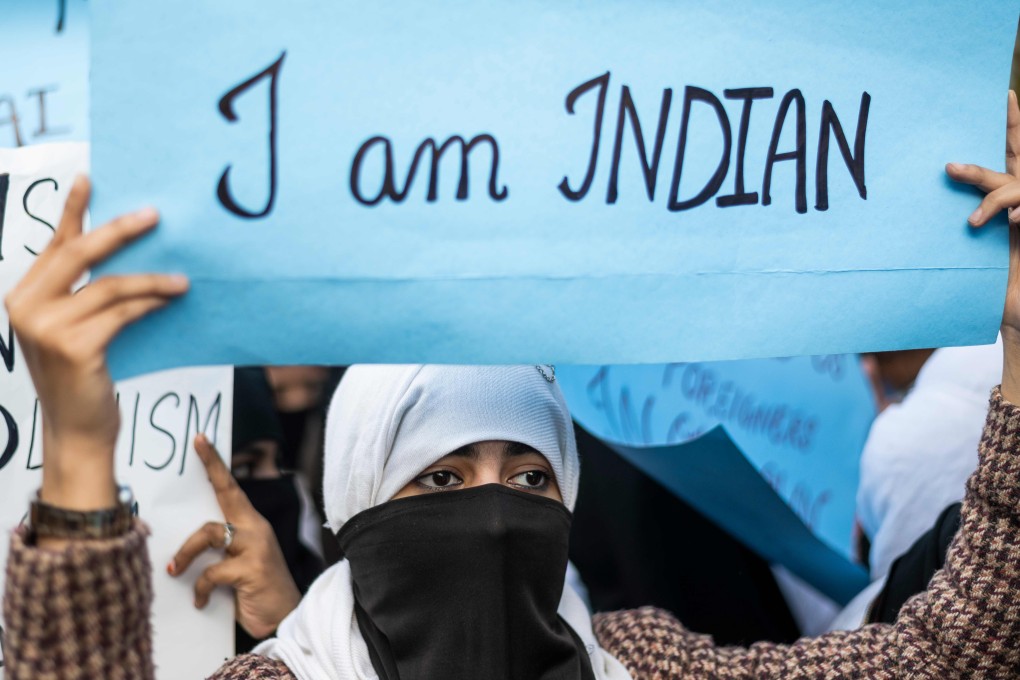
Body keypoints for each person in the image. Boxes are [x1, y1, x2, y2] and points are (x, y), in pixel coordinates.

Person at [5, 93, 1020, 678]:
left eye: (531, 478)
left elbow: (943, 652)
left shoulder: (647, 663)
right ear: (357, 504)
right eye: (443, 480)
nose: (495, 514)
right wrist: (82, 451)